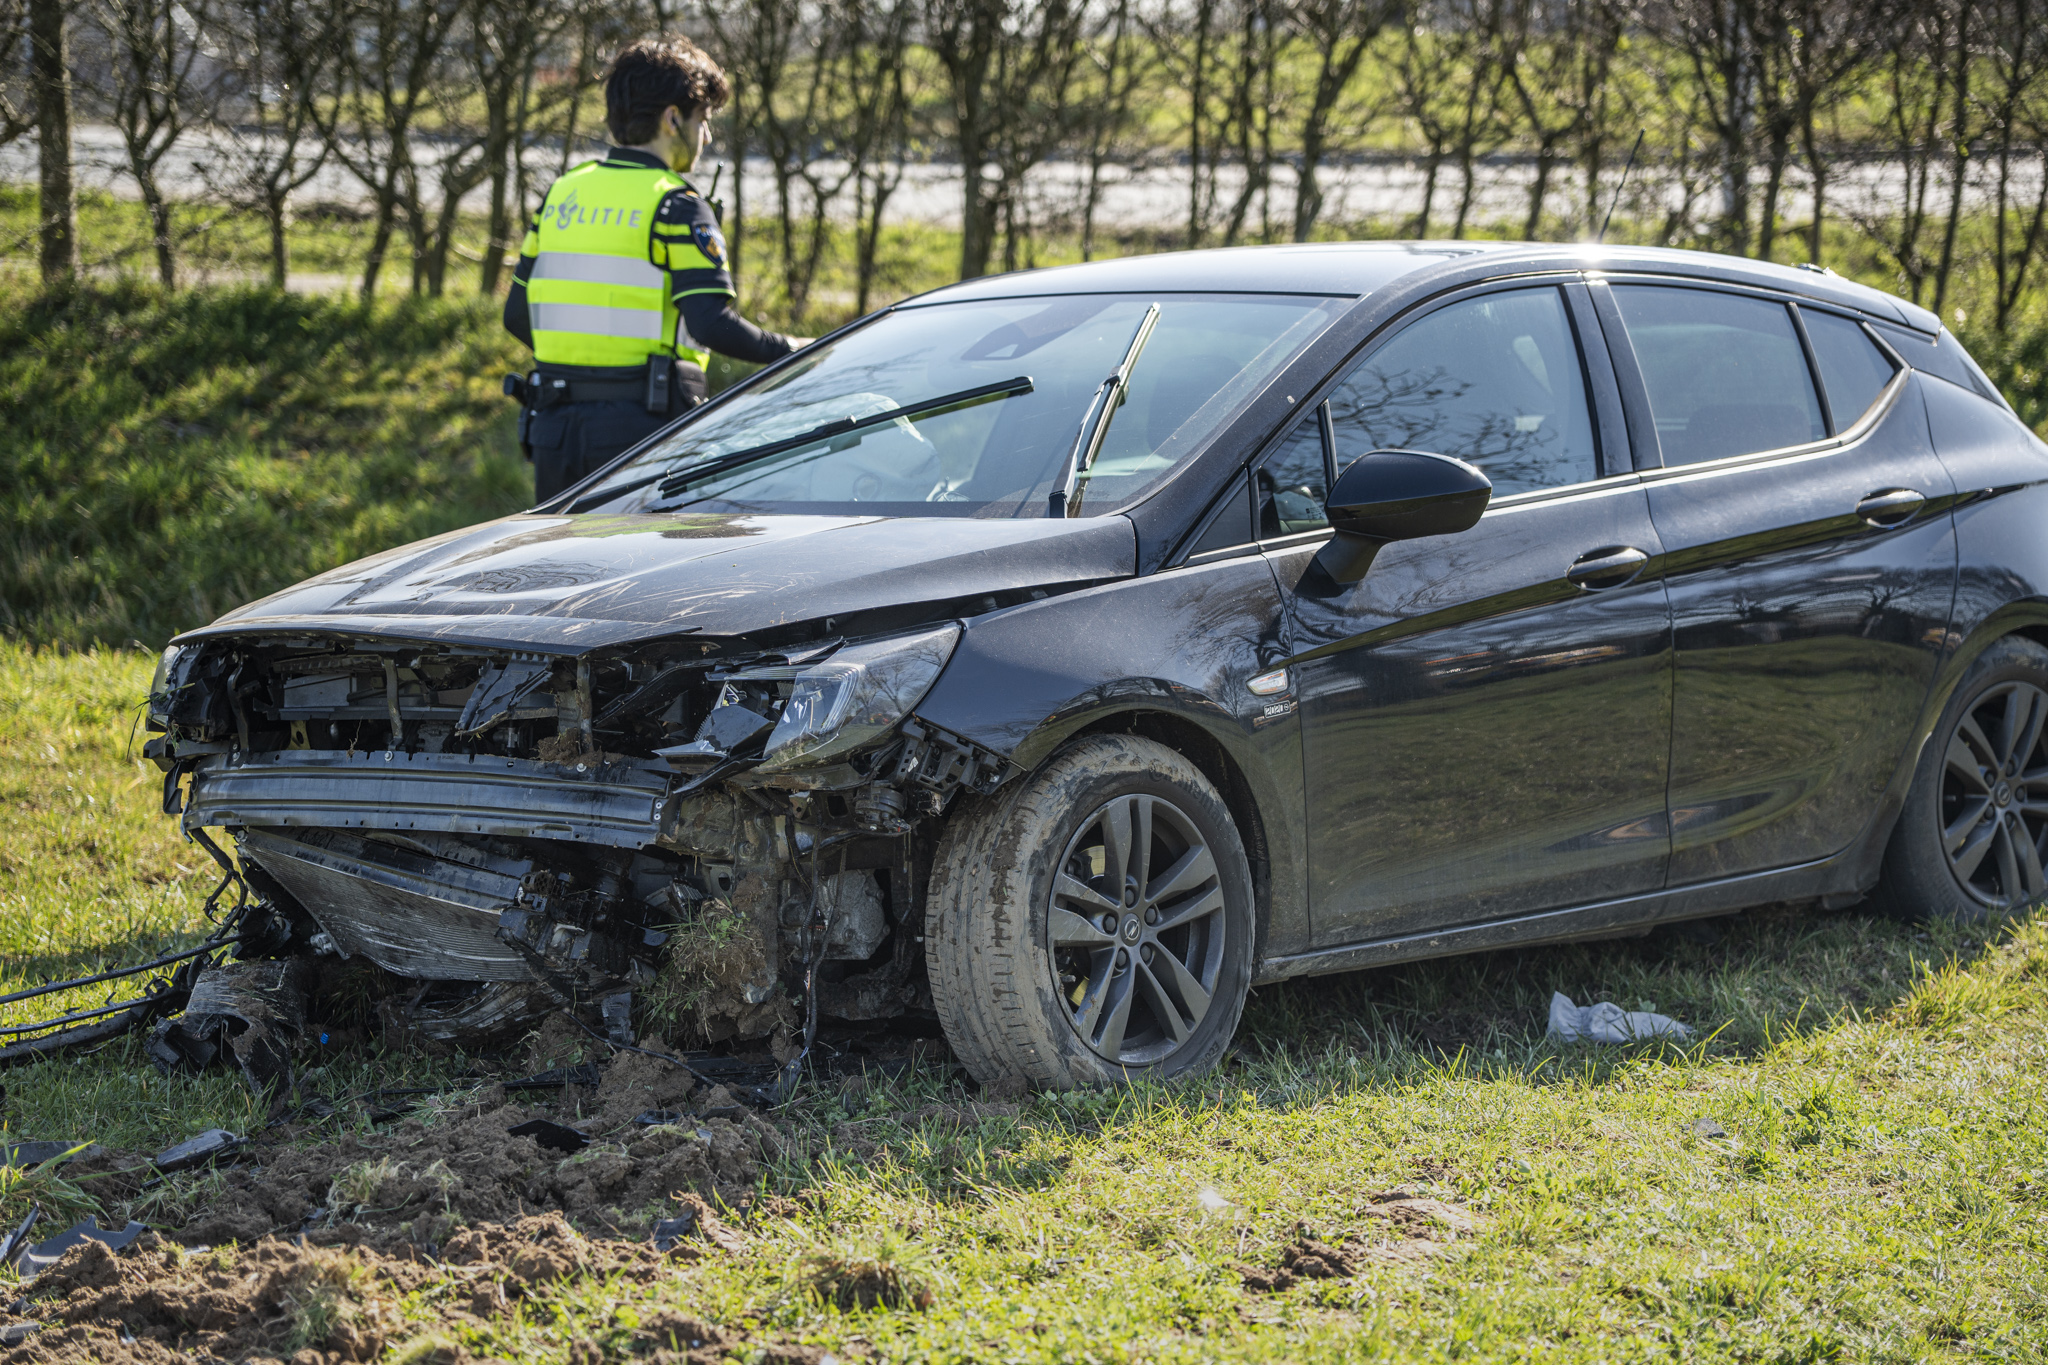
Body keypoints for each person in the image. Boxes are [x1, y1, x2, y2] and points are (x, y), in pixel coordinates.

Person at [503, 37, 808, 502]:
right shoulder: (676, 205)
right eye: (702, 121)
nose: (706, 137)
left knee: (564, 569)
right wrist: (793, 351)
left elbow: (517, 316)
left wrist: (584, 370)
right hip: (640, 433)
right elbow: (711, 324)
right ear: (671, 119)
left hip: (553, 429)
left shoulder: (562, 194)